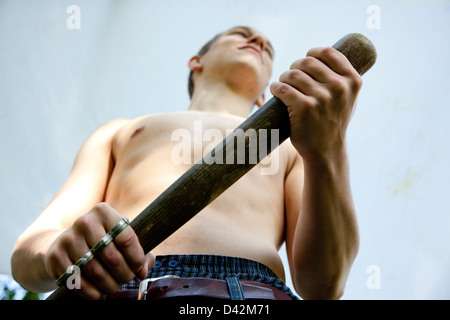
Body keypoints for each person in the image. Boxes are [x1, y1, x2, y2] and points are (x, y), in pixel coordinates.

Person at [11, 25, 362, 300]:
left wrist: (328, 149)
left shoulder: (292, 146)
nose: (257, 38)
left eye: (268, 49)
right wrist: (54, 253)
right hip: (118, 283)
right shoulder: (122, 131)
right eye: (240, 34)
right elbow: (28, 256)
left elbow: (323, 287)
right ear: (196, 61)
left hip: (252, 291)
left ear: (261, 95)